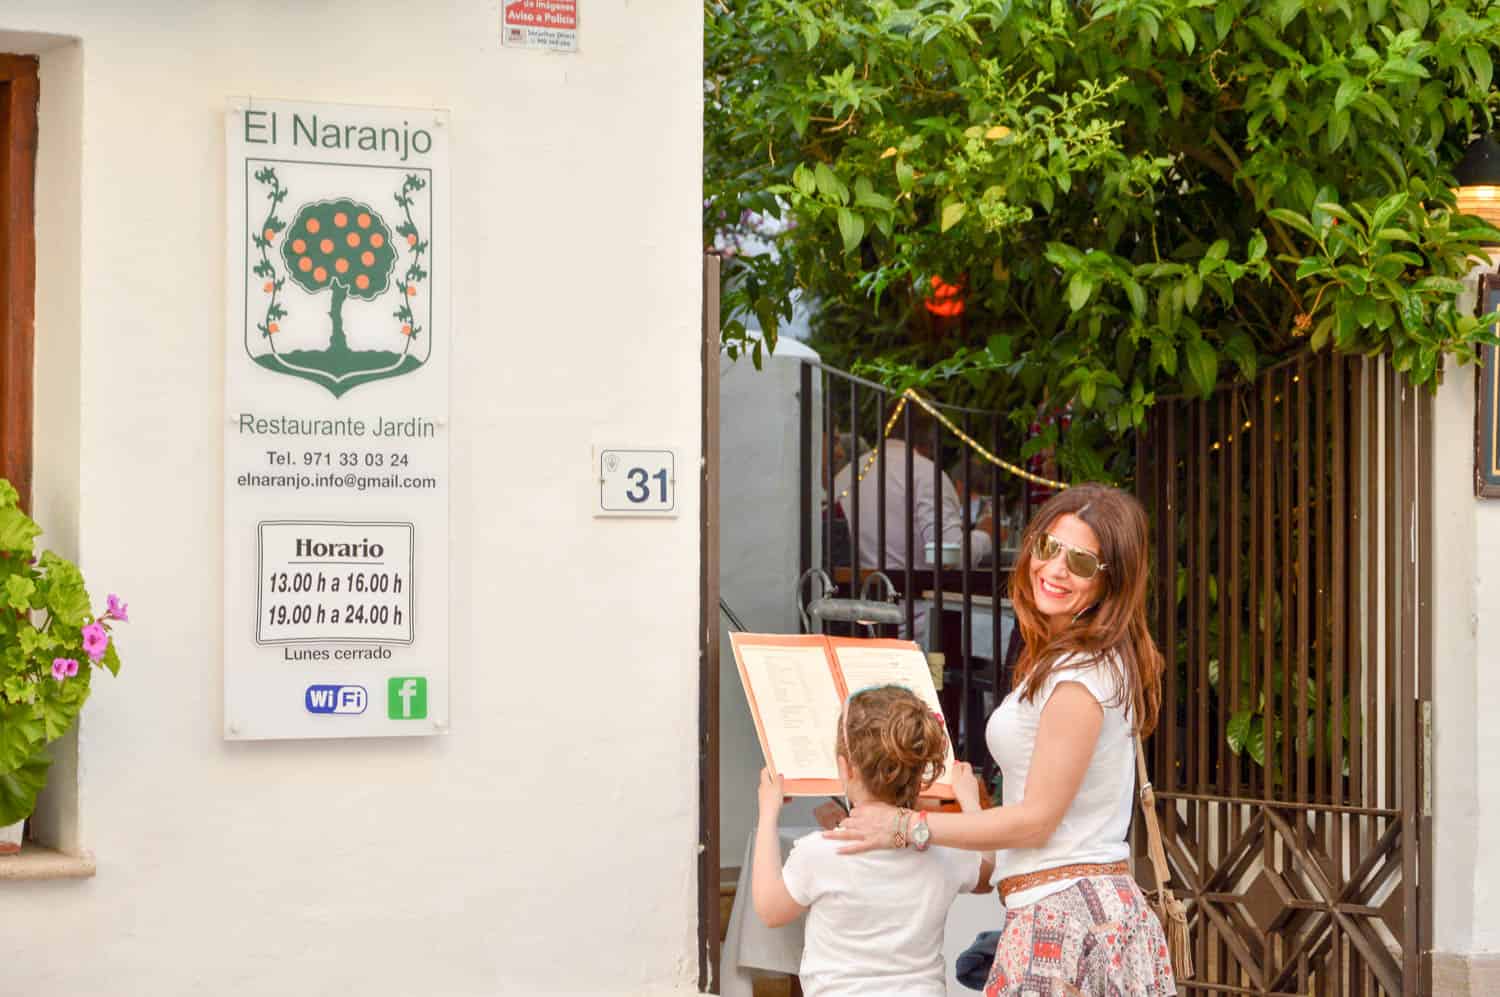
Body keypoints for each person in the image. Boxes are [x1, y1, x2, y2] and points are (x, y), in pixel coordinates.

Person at [826, 483, 1176, 996]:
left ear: (1111, 581)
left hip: (1066, 923)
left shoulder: (1079, 679)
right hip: (1070, 911)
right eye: (1048, 546)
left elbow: (1036, 822)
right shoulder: (1073, 660)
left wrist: (906, 825)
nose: (1055, 569)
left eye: (1081, 562)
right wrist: (962, 810)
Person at [751, 686, 995, 997]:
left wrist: (768, 813)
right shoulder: (942, 849)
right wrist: (969, 801)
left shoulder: (822, 851)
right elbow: (986, 875)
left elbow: (770, 909)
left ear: (846, 768)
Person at [832, 404, 993, 571]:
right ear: (930, 440)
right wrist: (985, 535)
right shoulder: (926, 474)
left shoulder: (845, 475)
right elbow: (948, 557)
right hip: (910, 586)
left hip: (850, 586)